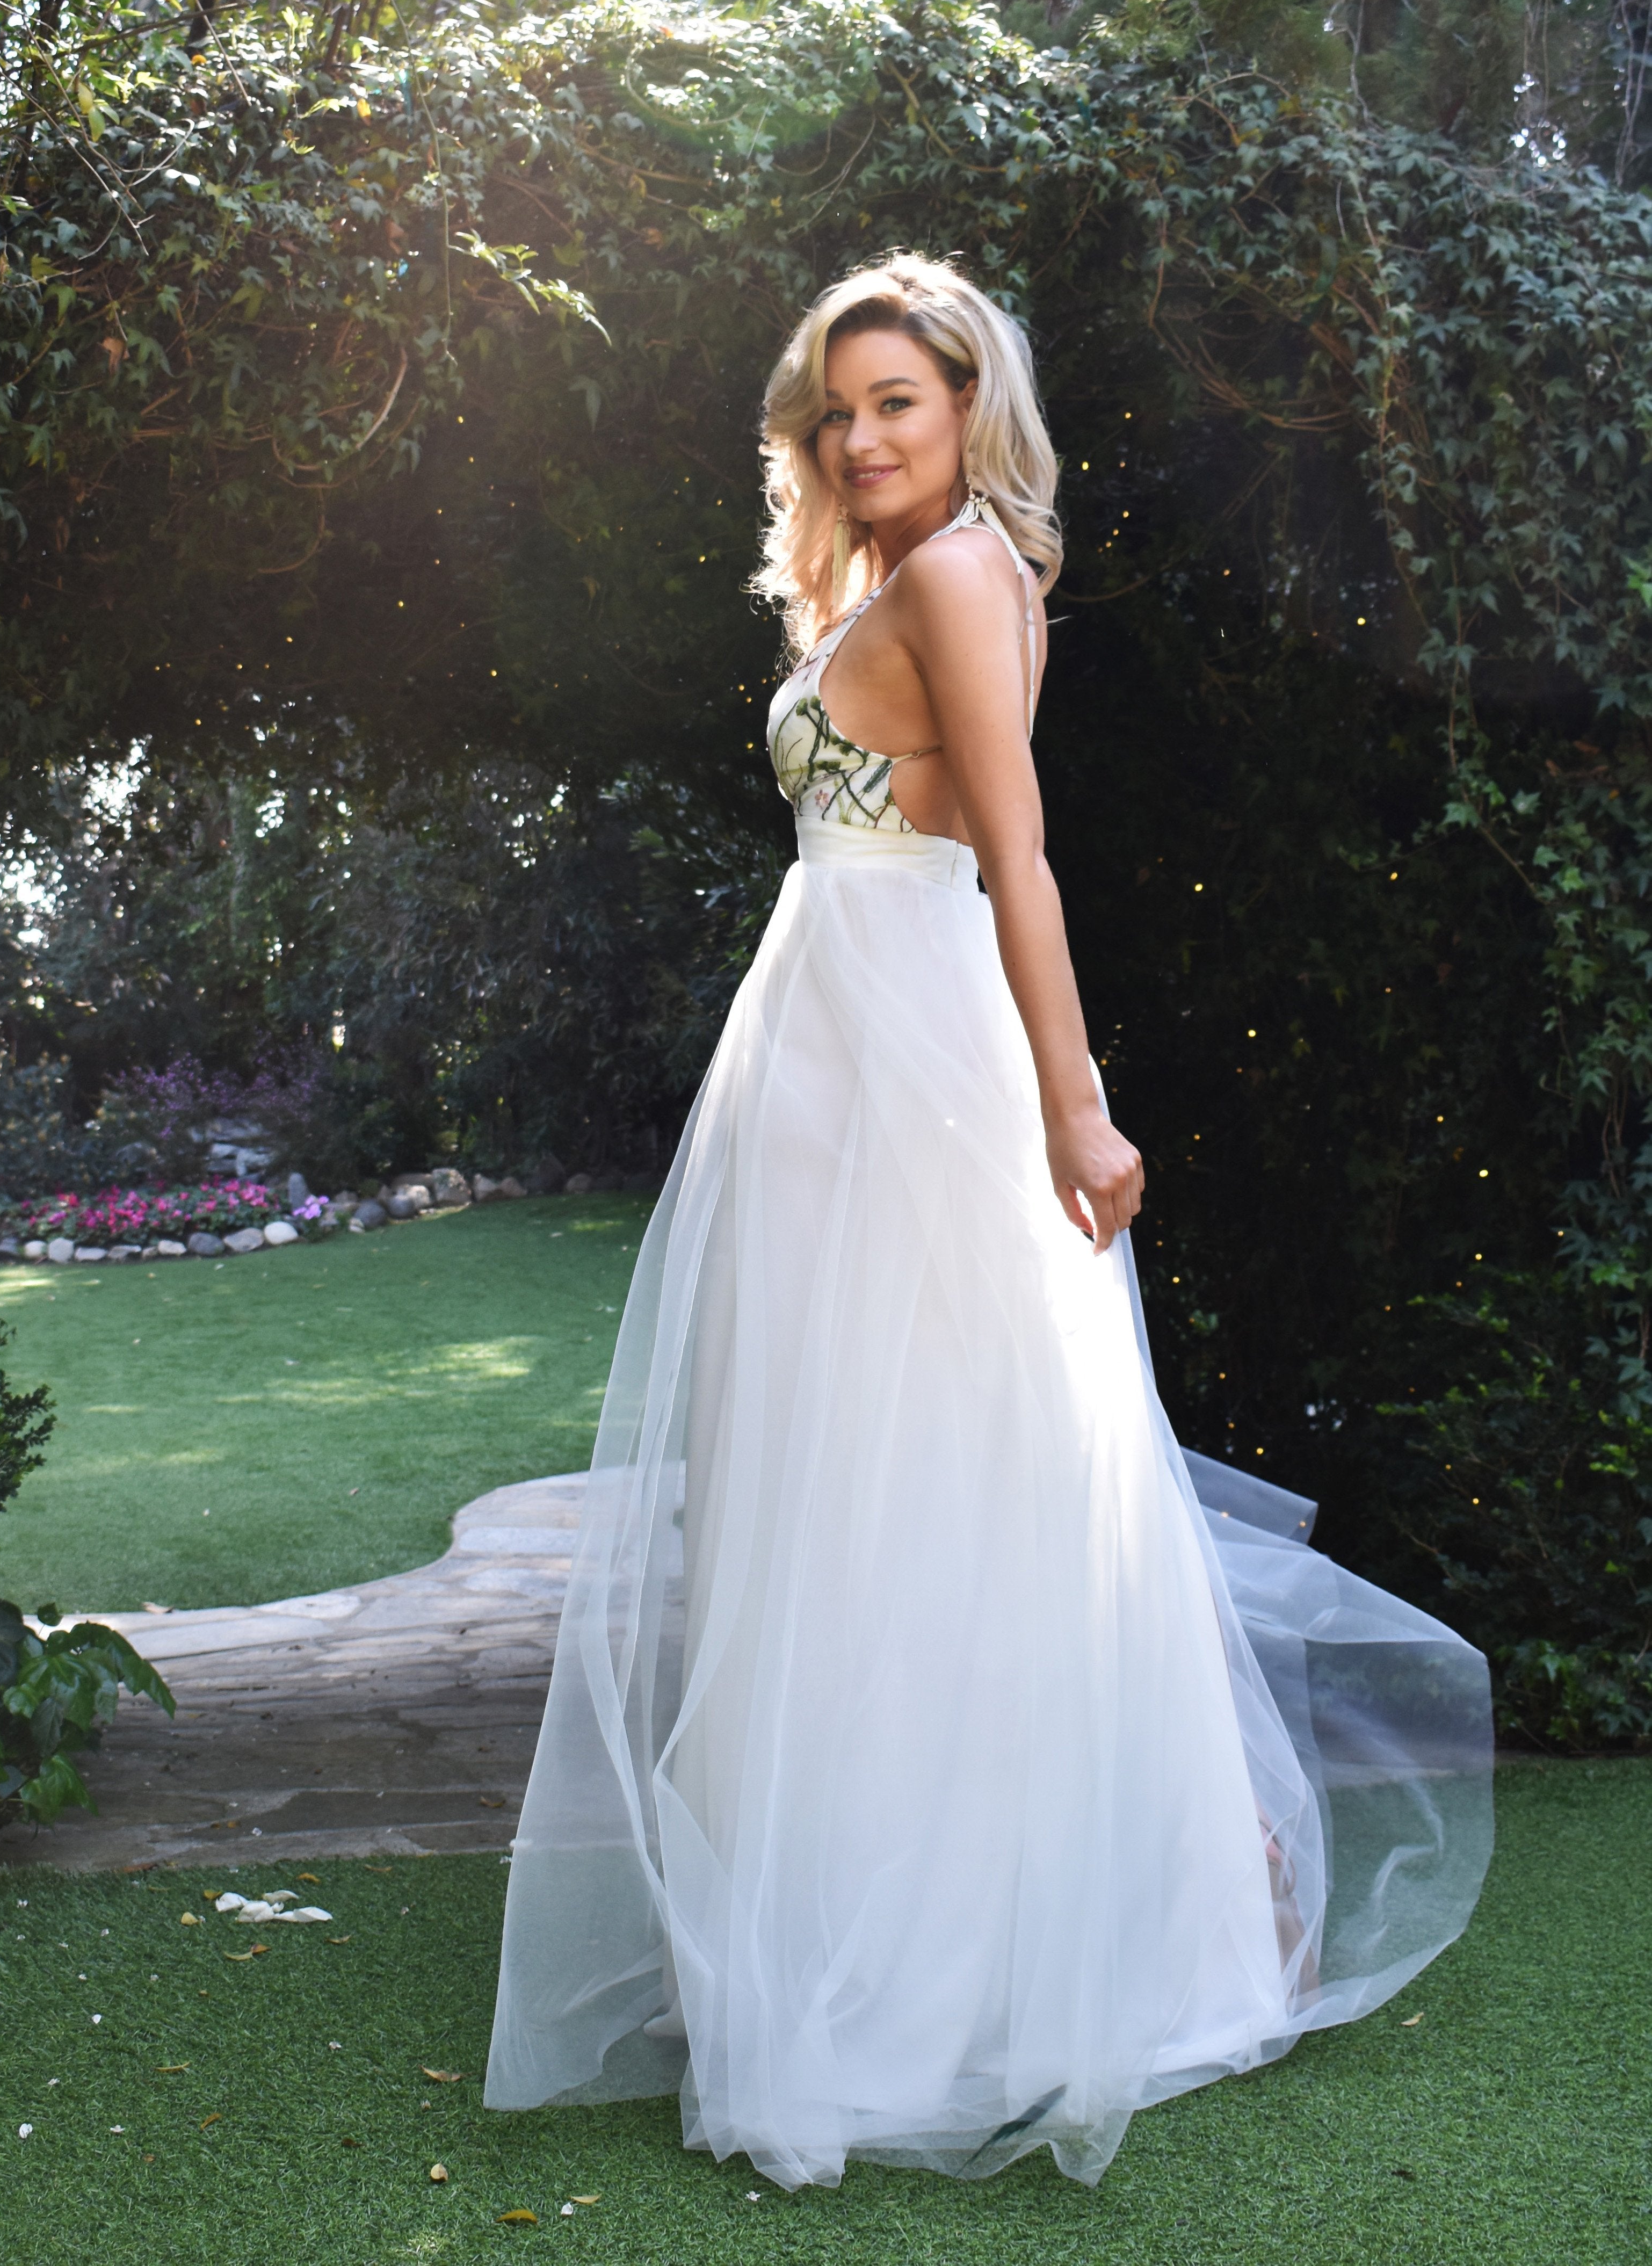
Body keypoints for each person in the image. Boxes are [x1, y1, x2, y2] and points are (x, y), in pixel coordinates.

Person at [484, 253, 1494, 2191]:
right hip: (835, 1065)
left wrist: (1076, 1105)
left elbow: (1017, 858)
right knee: (851, 1488)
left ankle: (954, 1971)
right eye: (838, 410)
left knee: (937, 1480)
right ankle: (855, 1924)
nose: (863, 436)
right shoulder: (904, 575)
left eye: (899, 402)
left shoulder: (958, 575)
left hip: (913, 1067)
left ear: (967, 407)